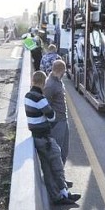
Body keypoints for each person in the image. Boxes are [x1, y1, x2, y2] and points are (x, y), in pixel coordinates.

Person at [24, 70, 80, 206]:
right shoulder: (39, 98)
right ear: (43, 83)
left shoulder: (27, 96)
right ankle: (63, 193)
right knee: (57, 164)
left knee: (47, 169)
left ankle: (58, 196)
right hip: (45, 138)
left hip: (37, 137)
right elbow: (51, 115)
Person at [43, 59, 74, 191]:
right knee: (58, 152)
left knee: (64, 151)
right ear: (60, 70)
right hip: (57, 122)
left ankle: (61, 178)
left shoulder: (57, 81)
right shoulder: (50, 85)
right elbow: (46, 105)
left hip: (63, 120)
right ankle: (57, 182)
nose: (64, 73)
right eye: (64, 71)